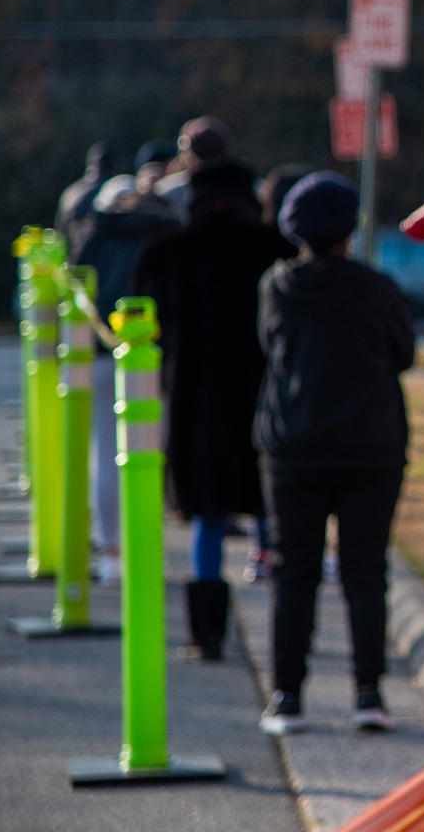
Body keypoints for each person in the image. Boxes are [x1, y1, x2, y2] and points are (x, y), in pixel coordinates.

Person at [253, 172, 415, 735]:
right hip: (371, 447)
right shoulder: (377, 289)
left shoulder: (276, 286)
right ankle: (368, 693)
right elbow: (401, 353)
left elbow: (268, 346)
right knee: (366, 571)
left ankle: (287, 695)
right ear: (350, 229)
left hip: (292, 447)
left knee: (293, 571)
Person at [135, 155, 293, 659]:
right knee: (275, 513)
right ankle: (285, 640)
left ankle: (207, 635)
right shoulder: (277, 250)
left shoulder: (165, 255)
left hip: (195, 405)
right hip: (266, 402)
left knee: (207, 515)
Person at [73, 175, 180, 570]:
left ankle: (111, 550)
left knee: (105, 453)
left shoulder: (96, 235)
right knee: (150, 457)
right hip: (153, 356)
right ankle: (145, 550)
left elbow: (77, 287)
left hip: (103, 353)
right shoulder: (166, 235)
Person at [154, 115, 235, 219]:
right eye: (194, 145)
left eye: (211, 144)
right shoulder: (166, 194)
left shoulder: (249, 188)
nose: (202, 152)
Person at [55, 142, 121, 243]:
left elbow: (59, 234)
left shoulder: (70, 192)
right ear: (115, 165)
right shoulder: (117, 189)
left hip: (71, 254)